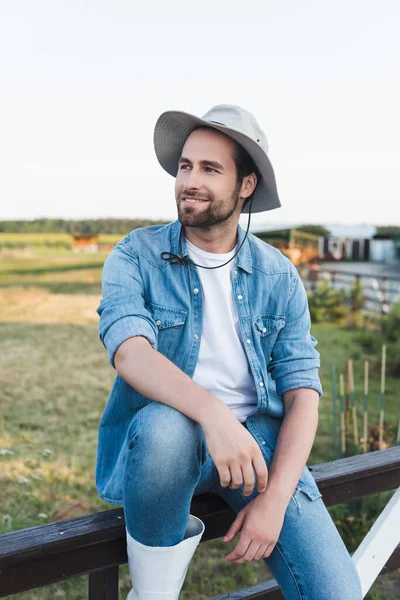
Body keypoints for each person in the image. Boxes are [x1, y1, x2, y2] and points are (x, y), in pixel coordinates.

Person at [95, 105, 363, 600]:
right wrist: (215, 417)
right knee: (165, 428)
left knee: (338, 593)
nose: (189, 181)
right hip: (169, 449)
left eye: (210, 169)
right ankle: (151, 594)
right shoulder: (135, 254)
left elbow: (303, 393)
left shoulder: (278, 275)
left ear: (246, 185)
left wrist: (276, 499)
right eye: (185, 166)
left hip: (256, 446)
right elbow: (130, 352)